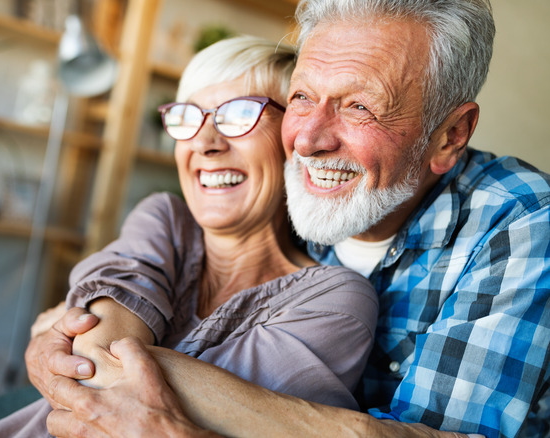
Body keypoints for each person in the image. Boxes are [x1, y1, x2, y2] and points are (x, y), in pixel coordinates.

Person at [27, 0, 550, 437]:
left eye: (359, 106)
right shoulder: (291, 208)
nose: (307, 139)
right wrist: (66, 333)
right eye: (302, 96)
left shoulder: (521, 221)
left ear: (450, 135)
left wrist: (96, 354)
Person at [0, 36, 378, 437]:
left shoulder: (336, 300)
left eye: (238, 115)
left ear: (293, 138)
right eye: (189, 117)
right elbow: (98, 367)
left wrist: (69, 331)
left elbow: (98, 365)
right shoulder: (165, 219)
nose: (205, 142)